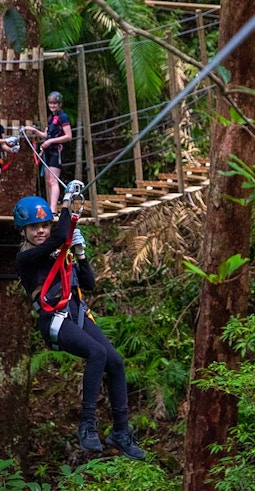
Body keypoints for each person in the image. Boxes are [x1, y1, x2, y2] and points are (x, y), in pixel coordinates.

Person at [14, 181, 145, 460]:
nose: (41, 231)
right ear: (23, 231)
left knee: (116, 362)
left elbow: (89, 283)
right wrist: (66, 202)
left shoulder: (59, 249)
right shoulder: (25, 258)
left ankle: (120, 431)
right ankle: (87, 424)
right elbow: (61, 233)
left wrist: (81, 253)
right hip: (54, 320)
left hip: (77, 312)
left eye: (44, 226)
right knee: (96, 353)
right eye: (35, 228)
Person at [24, 91, 72, 215]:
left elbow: (68, 136)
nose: (52, 105)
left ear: (60, 104)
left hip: (57, 151)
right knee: (48, 180)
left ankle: (53, 209)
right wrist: (34, 131)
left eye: (55, 103)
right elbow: (46, 135)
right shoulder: (51, 118)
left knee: (53, 180)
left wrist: (51, 141)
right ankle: (51, 206)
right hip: (49, 151)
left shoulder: (63, 117)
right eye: (50, 103)